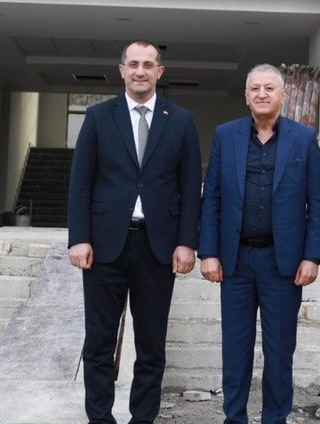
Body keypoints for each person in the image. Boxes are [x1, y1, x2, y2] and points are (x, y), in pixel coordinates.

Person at [67, 40, 203, 424]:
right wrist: (79, 237)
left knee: (151, 344)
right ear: (122, 70)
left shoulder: (181, 121)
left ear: (160, 71)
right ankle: (100, 417)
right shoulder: (98, 117)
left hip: (157, 247)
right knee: (99, 341)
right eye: (133, 64)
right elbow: (80, 182)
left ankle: (143, 418)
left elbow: (190, 186)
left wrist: (187, 242)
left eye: (148, 64)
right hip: (104, 245)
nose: (140, 71)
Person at [199, 64, 320, 424]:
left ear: (282, 95)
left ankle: (275, 418)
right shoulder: (226, 135)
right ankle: (234, 417)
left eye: (269, 88)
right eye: (255, 88)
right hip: (236, 261)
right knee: (235, 349)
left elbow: (318, 202)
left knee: (279, 350)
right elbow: (211, 197)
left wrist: (312, 256)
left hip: (282, 263)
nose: (261, 94)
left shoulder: (304, 139)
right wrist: (208, 252)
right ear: (246, 96)